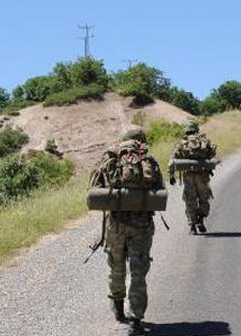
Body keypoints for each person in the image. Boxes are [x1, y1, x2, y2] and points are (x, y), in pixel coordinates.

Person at [89, 126, 165, 335]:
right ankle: (135, 321)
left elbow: (93, 188)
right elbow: (160, 190)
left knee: (116, 264)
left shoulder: (110, 158)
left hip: (115, 223)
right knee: (138, 271)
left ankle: (118, 306)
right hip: (142, 225)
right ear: (140, 140)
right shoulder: (148, 160)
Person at [169, 120, 217, 235]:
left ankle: (192, 226)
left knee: (190, 200)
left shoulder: (182, 143)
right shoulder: (204, 141)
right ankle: (201, 218)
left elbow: (173, 160)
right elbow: (212, 156)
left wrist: (171, 176)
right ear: (196, 129)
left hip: (188, 177)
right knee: (204, 198)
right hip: (203, 176)